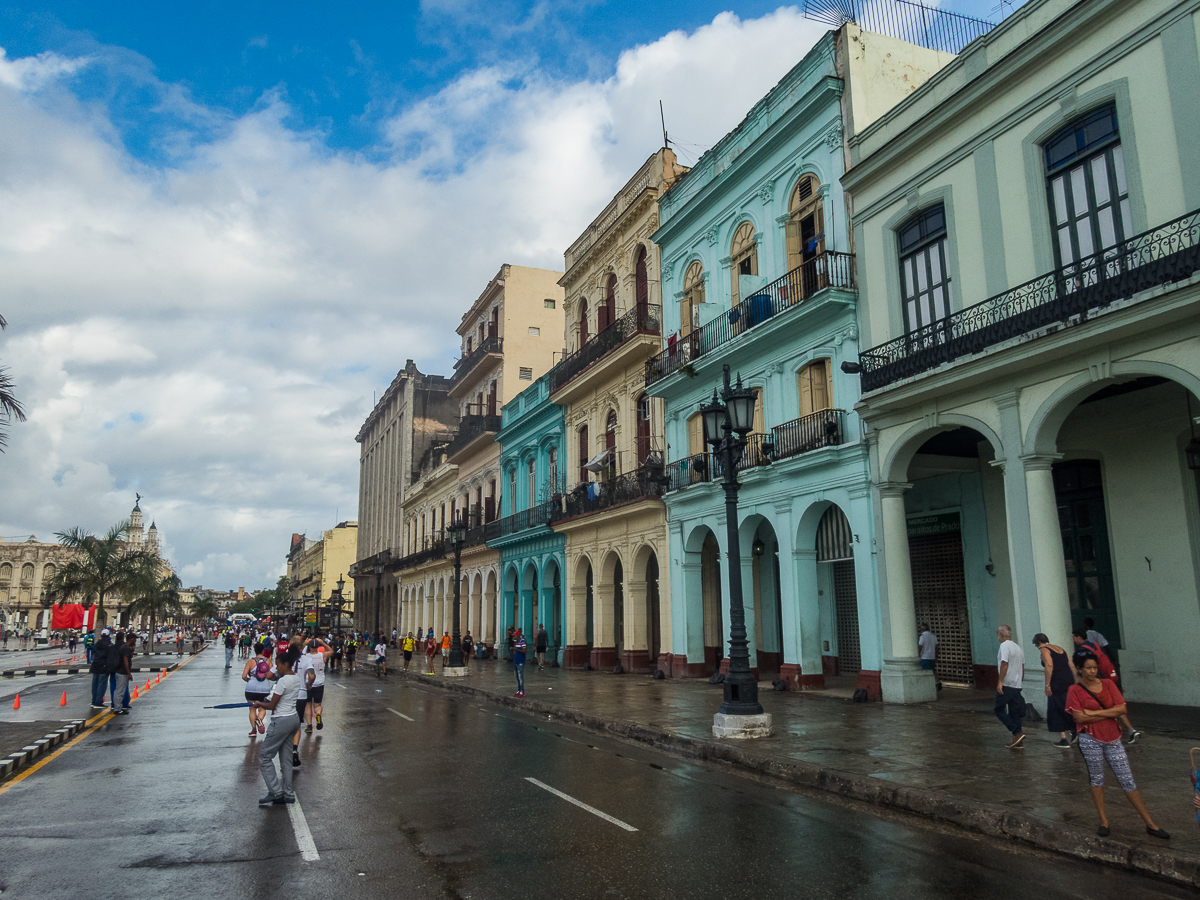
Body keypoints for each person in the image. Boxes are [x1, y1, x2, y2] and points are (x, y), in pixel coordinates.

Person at [1066, 651, 1168, 839]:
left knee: (1127, 780)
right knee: (1097, 779)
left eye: (1095, 667)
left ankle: (1150, 823)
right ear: (1079, 669)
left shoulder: (1108, 684)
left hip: (1113, 738)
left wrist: (1092, 714)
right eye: (1088, 668)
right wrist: (1108, 713)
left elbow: (1122, 709)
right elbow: (1078, 716)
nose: (1092, 671)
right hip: (1090, 738)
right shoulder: (1075, 690)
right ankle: (1104, 821)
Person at [253, 644, 302, 806]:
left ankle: (276, 791)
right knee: (286, 758)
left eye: (278, 665)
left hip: (281, 720)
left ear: (286, 664)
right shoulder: (295, 678)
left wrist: (259, 704)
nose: (276, 668)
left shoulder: (283, 681)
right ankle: (288, 793)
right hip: (293, 718)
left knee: (265, 757)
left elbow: (272, 705)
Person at [1072, 629, 1141, 743]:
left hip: (1097, 682)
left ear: (1079, 637)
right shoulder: (1094, 645)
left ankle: (1082, 732)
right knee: (1114, 706)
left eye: (1074, 637)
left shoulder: (1083, 652)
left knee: (1099, 707)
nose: (1073, 640)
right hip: (1106, 677)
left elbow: (1085, 668)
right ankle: (1132, 730)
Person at [1033, 633, 1077, 747]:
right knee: (1068, 705)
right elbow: (1071, 665)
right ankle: (1075, 728)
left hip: (1057, 681)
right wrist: (1075, 680)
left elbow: (1049, 665)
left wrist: (1047, 684)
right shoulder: (1059, 648)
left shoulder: (1044, 650)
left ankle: (1063, 738)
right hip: (1068, 679)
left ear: (1037, 643)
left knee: (1056, 707)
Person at [994, 625, 1026, 750]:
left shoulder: (1004, 646)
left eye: (998, 634)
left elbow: (1004, 664)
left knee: (998, 709)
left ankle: (1016, 732)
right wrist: (1020, 682)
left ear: (1001, 634)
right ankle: (1017, 740)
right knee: (1014, 712)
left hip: (1007, 684)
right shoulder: (1018, 648)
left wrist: (1000, 682)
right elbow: (1022, 668)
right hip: (1017, 684)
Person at [242, 641, 272, 737]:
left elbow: (243, 676)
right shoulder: (267, 661)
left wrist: (249, 681)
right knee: (262, 708)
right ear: (263, 651)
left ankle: (254, 730)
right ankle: (259, 719)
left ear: (254, 651)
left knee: (252, 709)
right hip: (264, 689)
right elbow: (272, 674)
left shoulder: (250, 662)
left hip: (251, 688)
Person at [306, 638, 331, 731]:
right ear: (318, 646)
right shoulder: (322, 655)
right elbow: (331, 651)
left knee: (308, 704)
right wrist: (323, 643)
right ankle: (318, 715)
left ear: (309, 646)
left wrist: (305, 644)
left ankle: (309, 725)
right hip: (319, 683)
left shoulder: (306, 656)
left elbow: (297, 653)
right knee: (317, 704)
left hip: (308, 683)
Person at [89, 629, 115, 709]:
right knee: (102, 685)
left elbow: (93, 652)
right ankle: (98, 702)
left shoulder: (97, 644)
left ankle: (94, 701)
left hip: (95, 666)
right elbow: (111, 657)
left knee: (95, 685)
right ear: (108, 636)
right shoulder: (109, 645)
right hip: (103, 667)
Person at [112, 632, 136, 715]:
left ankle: (118, 707)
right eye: (134, 639)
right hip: (122, 672)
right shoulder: (125, 648)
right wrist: (128, 673)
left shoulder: (125, 647)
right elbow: (126, 661)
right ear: (131, 639)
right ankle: (117, 709)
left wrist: (132, 650)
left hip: (120, 672)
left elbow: (129, 658)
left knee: (118, 690)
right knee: (120, 691)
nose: (135, 640)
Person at [918, 623, 940, 689]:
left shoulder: (922, 637)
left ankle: (925, 685)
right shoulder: (933, 636)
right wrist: (936, 656)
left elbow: (920, 647)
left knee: (923, 671)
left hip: (924, 657)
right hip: (932, 657)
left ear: (922, 629)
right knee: (933, 671)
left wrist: (918, 655)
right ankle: (938, 682)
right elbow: (937, 647)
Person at [512, 629, 527, 697]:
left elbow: (524, 651)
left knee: (520, 676)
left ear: (518, 636)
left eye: (514, 636)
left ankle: (522, 691)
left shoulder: (522, 642)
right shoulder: (516, 642)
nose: (513, 637)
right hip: (516, 660)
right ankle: (519, 690)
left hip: (521, 661)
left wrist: (516, 649)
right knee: (517, 677)